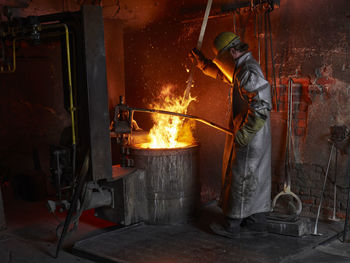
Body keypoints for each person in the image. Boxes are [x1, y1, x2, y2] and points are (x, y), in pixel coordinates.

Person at [189, 32, 272, 238]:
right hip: (256, 133)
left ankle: (232, 224)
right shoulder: (241, 68)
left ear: (233, 52)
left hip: (251, 133)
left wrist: (245, 132)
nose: (222, 64)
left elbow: (262, 103)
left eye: (221, 59)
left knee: (241, 175)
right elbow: (222, 75)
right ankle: (257, 221)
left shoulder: (248, 70)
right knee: (256, 176)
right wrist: (204, 64)